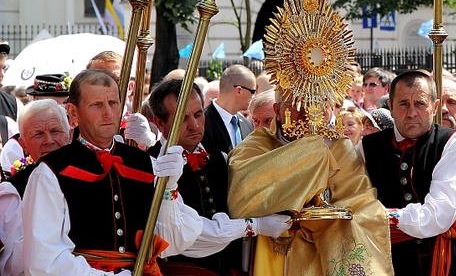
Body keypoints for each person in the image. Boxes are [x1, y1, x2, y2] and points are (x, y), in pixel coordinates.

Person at [21, 69, 204, 275]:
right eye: (97, 105)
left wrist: (169, 190)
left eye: (113, 103)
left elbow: (175, 242)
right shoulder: (51, 172)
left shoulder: (144, 163)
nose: (108, 113)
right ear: (73, 112)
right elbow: (43, 260)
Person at [227, 91, 393, 275]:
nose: (307, 112)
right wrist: (309, 153)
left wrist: (322, 220)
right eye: (297, 104)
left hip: (325, 250)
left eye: (315, 103)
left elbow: (360, 201)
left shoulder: (337, 145)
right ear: (278, 110)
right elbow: (241, 196)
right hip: (271, 250)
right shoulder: (258, 144)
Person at [148, 79, 290, 274]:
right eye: (183, 118)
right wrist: (255, 226)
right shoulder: (152, 164)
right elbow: (190, 236)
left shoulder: (220, 158)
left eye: (198, 114)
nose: (194, 125)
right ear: (160, 123)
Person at [362, 70, 456, 275]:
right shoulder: (367, 147)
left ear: (434, 107)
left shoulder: (453, 143)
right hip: (387, 264)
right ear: (390, 107)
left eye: (420, 103)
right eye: (403, 104)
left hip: (444, 262)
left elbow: (439, 215)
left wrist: (385, 217)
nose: (411, 112)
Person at [0, 99, 72, 275]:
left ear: (69, 135)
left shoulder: (92, 174)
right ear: (23, 144)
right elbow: (13, 265)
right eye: (38, 134)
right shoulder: (13, 191)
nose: (49, 140)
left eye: (55, 131)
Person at [201, 64, 255, 154]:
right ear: (239, 91)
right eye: (252, 92)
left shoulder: (247, 125)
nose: (253, 97)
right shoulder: (202, 123)